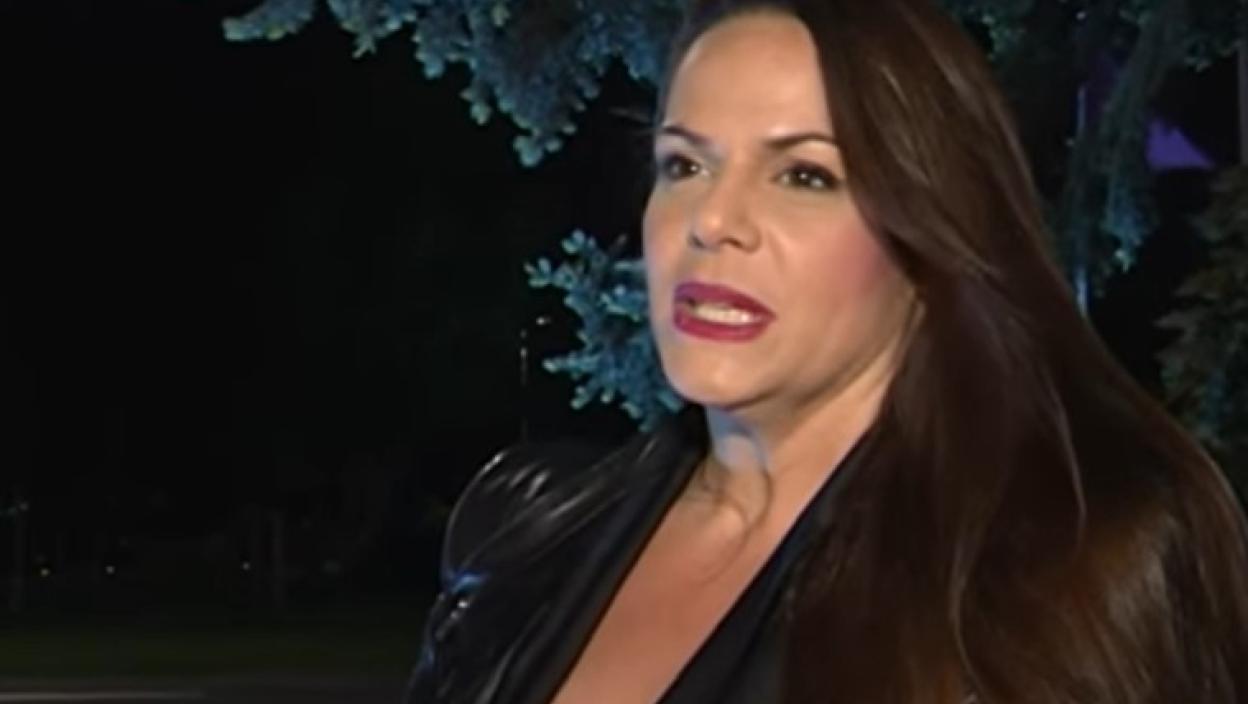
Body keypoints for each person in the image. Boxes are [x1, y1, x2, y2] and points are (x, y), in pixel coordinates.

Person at [404, 0, 1248, 701]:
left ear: (926, 238)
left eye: (805, 176)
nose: (712, 220)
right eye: (684, 164)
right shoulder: (525, 528)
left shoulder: (1061, 568)